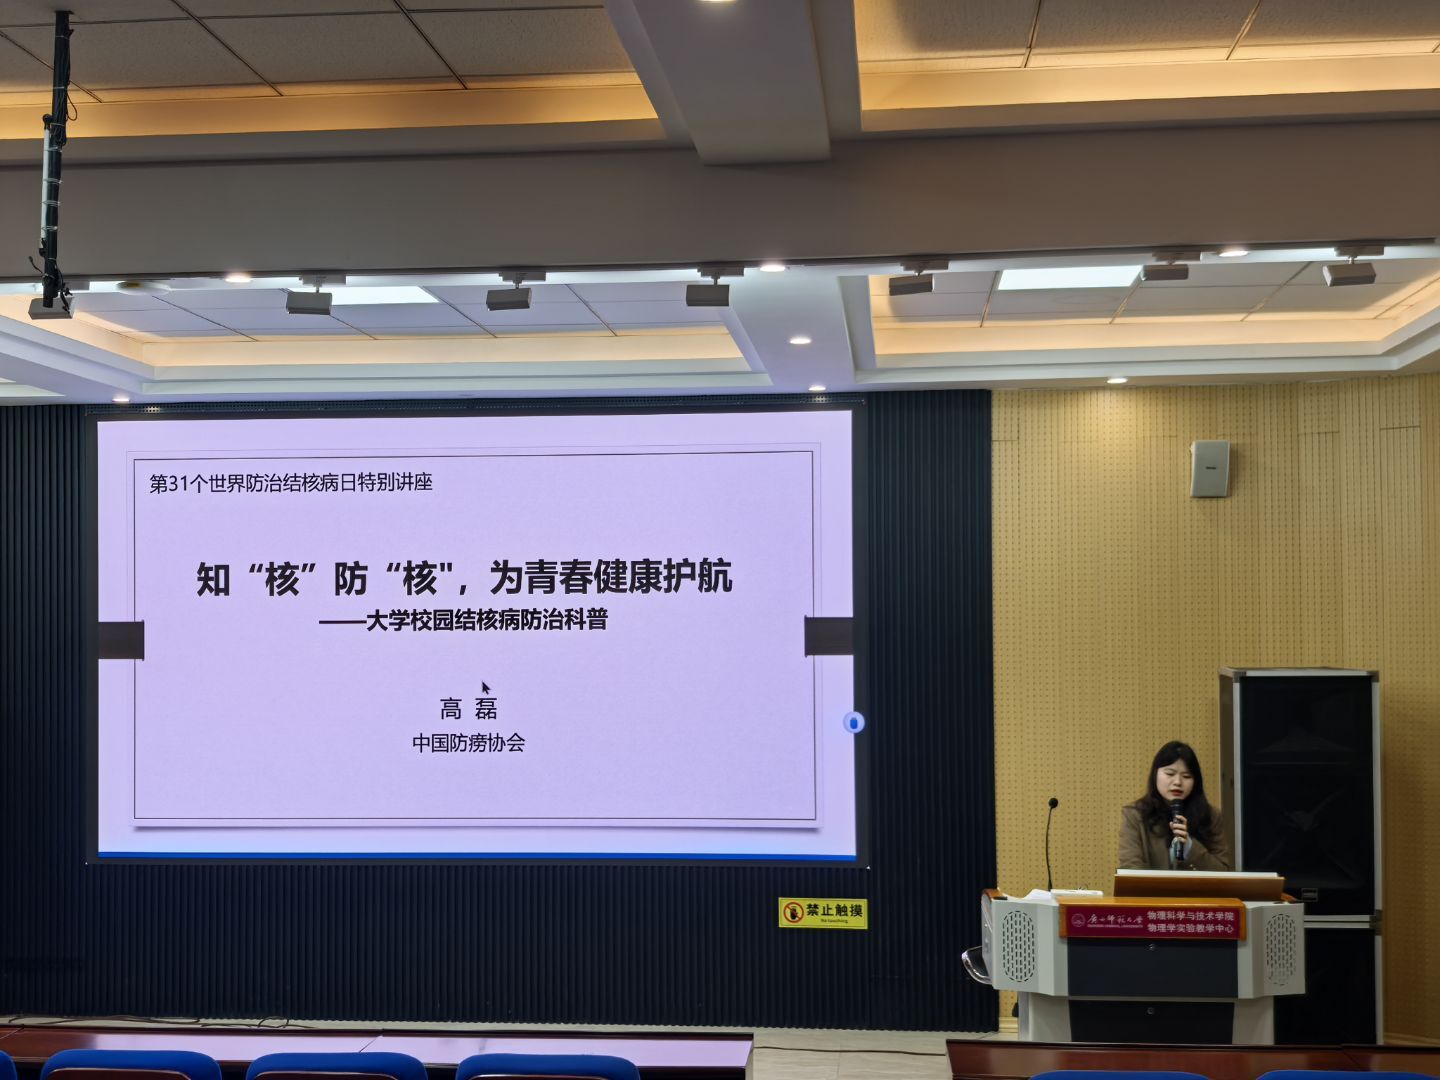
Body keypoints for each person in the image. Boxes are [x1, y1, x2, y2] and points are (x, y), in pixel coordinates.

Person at [1118, 740, 1232, 871]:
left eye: (1186, 776)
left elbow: (1223, 871)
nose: (1177, 782)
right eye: (1170, 774)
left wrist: (1191, 848)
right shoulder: (1135, 815)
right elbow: (1131, 867)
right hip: (1151, 885)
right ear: (1155, 775)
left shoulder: (1211, 816)